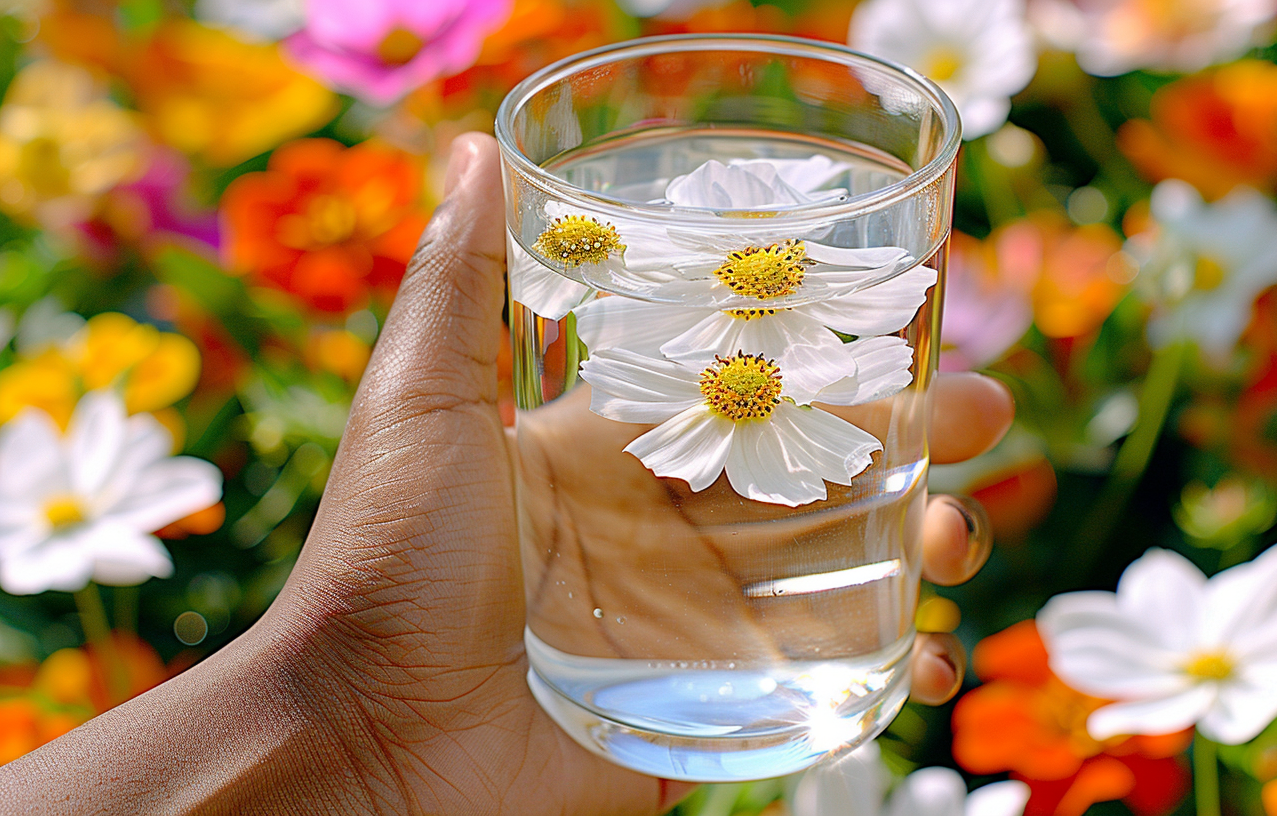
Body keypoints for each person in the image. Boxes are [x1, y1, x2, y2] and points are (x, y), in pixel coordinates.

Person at [0, 134, 1014, 814]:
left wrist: (356, 738)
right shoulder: (650, 317)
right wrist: (357, 713)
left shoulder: (815, 309)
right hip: (575, 684)